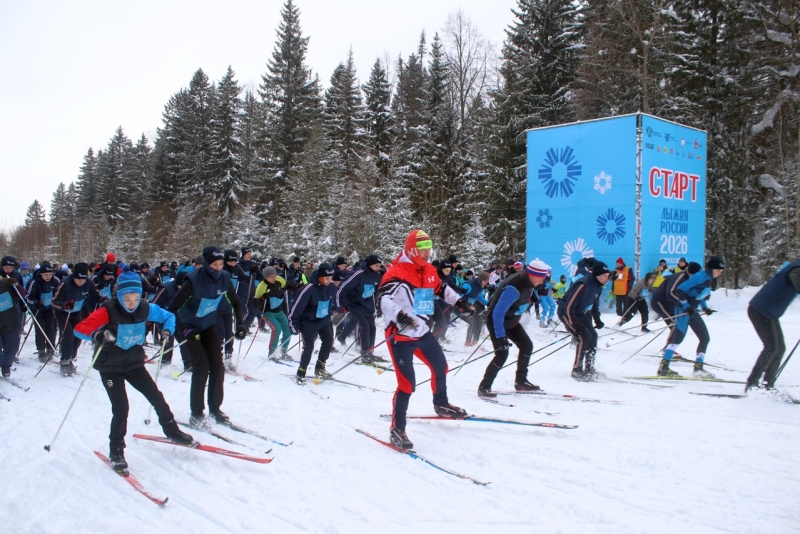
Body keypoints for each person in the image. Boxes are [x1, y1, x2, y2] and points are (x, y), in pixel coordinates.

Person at [74, 269, 194, 472]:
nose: (132, 304)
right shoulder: (107, 310)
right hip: (110, 366)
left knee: (156, 397)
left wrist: (167, 331)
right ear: (119, 296)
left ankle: (172, 431)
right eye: (127, 299)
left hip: (134, 363)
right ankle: (116, 451)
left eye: (136, 299)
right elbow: (80, 328)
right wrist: (97, 335)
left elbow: (169, 316)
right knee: (121, 408)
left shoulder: (146, 308)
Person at [376, 229, 473, 450]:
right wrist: (400, 316)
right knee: (407, 384)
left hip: (422, 332)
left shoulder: (429, 269)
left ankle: (441, 404)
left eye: (429, 248)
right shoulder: (397, 272)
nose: (427, 253)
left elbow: (441, 288)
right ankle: (397, 429)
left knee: (441, 367)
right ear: (412, 250)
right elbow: (382, 299)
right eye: (423, 249)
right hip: (400, 336)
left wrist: (460, 303)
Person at [167, 246, 246, 427]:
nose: (218, 268)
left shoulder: (224, 278)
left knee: (217, 366)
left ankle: (215, 408)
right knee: (201, 367)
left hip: (209, 325)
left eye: (220, 264)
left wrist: (240, 323)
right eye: (214, 264)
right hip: (190, 327)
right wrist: (184, 329)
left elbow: (235, 302)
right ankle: (196, 412)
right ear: (205, 264)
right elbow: (172, 309)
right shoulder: (192, 281)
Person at [478, 259, 548, 396]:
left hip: (511, 321)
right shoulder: (514, 288)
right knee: (502, 354)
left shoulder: (528, 282)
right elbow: (497, 313)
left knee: (527, 346)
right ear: (532, 275)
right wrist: (500, 337)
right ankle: (484, 387)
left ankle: (521, 381)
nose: (542, 282)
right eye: (541, 278)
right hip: (497, 322)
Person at [656, 257, 724, 378]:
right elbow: (680, 289)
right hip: (683, 310)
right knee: (678, 338)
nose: (719, 273)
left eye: (721, 271)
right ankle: (663, 367)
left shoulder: (708, 278)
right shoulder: (700, 276)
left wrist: (705, 308)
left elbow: (699, 294)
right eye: (718, 270)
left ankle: (698, 369)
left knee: (705, 338)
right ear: (711, 269)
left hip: (692, 311)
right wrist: (686, 306)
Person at [745, 259, 800, 391]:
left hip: (769, 313)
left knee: (779, 348)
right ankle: (752, 385)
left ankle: (767, 385)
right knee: (771, 347)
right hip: (760, 310)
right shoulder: (797, 268)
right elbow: (794, 276)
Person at [558, 261, 611, 381]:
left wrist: (597, 319)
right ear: (596, 274)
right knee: (584, 336)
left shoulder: (598, 286)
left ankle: (589, 367)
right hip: (567, 313)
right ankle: (576, 369)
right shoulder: (583, 284)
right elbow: (568, 307)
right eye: (603, 276)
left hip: (581, 313)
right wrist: (575, 324)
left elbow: (594, 304)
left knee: (593, 336)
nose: (606, 279)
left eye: (607, 276)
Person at [289, 263, 336, 383]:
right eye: (326, 278)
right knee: (309, 347)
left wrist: (330, 313)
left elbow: (330, 302)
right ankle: (301, 371)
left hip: (323, 320)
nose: (329, 281)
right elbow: (296, 308)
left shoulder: (331, 287)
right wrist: (293, 324)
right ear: (320, 277)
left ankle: (320, 367)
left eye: (331, 278)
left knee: (329, 340)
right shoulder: (308, 289)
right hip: (308, 322)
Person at [51, 263, 102, 376]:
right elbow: (54, 302)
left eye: (83, 279)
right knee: (68, 335)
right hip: (63, 313)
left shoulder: (88, 283)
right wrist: (64, 305)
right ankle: (64, 361)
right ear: (73, 276)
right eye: (78, 279)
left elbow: (95, 296)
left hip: (76, 312)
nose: (80, 282)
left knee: (78, 335)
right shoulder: (65, 283)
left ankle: (70, 358)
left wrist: (102, 300)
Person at [335, 254, 384, 363]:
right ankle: (364, 353)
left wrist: (379, 306)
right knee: (365, 326)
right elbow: (342, 287)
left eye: (379, 265)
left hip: (368, 305)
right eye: (376, 265)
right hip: (355, 304)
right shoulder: (358, 274)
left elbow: (377, 291)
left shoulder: (377, 275)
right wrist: (339, 304)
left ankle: (370, 351)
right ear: (370, 265)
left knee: (372, 327)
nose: (378, 267)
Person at [254, 266, 295, 360]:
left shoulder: (279, 280)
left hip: (278, 310)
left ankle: (283, 351)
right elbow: (255, 304)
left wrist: (296, 287)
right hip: (267, 312)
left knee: (288, 328)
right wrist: (262, 298)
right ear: (266, 277)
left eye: (275, 276)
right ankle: (272, 352)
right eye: (271, 277)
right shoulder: (262, 286)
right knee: (276, 328)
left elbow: (287, 286)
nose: (274, 278)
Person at [26, 262, 60, 363]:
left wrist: (57, 302)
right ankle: (41, 350)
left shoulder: (55, 280)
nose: (48, 277)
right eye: (46, 275)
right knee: (40, 329)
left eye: (50, 274)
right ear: (41, 274)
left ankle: (50, 348)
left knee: (51, 328)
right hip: (38, 310)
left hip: (50, 309)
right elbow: (27, 297)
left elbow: (60, 293)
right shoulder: (34, 282)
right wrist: (36, 303)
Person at [0, 276, 23, 378]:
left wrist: (16, 285)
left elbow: (22, 294)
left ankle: (5, 366)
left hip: (10, 322)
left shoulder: (6, 283)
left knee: (12, 347)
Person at [460, 271, 489, 347]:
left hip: (470, 306)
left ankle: (475, 340)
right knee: (472, 322)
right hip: (460, 306)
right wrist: (465, 305)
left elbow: (479, 296)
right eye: (485, 281)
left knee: (479, 321)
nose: (486, 283)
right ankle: (468, 342)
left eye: (487, 281)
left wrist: (488, 304)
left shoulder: (479, 286)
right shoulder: (468, 285)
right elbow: (458, 296)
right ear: (480, 280)